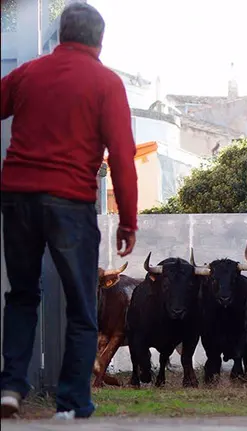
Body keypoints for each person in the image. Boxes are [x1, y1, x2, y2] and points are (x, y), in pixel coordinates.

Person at [0, 3, 138, 420]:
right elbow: (122, 156)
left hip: (17, 196)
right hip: (70, 203)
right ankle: (72, 403)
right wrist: (128, 220)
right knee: (81, 306)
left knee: (22, 296)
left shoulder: (28, 74)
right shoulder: (106, 82)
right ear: (99, 40)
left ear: (62, 34)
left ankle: (10, 387)